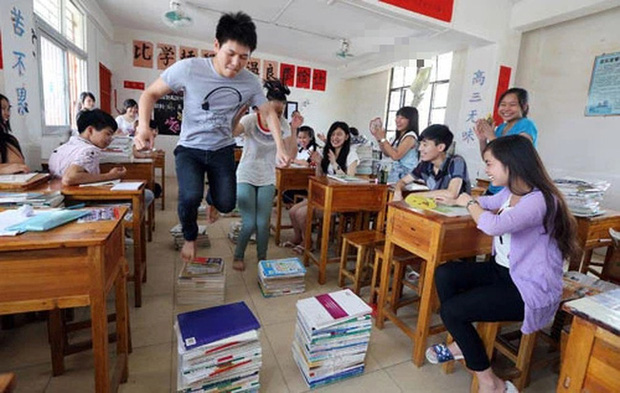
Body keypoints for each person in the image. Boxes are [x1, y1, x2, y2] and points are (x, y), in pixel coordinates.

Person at [426, 135, 578, 393]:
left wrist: (469, 202)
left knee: (451, 311)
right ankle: (464, 341)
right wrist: (455, 201)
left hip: (528, 287)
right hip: (503, 272)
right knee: (445, 273)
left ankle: (493, 384)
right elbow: (488, 203)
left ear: (511, 163)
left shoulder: (541, 200)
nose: (487, 170)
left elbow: (493, 225)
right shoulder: (513, 191)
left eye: (490, 164)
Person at [134, 12, 290, 262]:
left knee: (228, 203)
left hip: (222, 149)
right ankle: (190, 237)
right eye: (230, 53)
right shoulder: (189, 69)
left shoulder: (250, 82)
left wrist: (281, 147)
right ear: (216, 45)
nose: (236, 63)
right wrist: (143, 126)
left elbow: (269, 113)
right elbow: (150, 94)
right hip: (190, 149)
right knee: (189, 196)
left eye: (244, 57)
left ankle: (213, 200)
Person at [231, 79, 293, 271]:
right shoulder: (250, 120)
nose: (276, 116)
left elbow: (290, 154)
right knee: (249, 223)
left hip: (267, 177)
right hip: (246, 174)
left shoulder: (283, 125)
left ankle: (261, 257)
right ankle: (238, 255)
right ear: (262, 107)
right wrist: (238, 114)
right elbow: (232, 132)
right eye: (272, 111)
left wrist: (295, 128)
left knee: (263, 223)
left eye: (280, 112)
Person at [287, 121, 358, 253]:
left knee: (302, 214)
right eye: (333, 134)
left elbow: (349, 180)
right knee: (292, 211)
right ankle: (298, 238)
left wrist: (334, 163)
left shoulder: (351, 154)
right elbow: (320, 176)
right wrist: (319, 163)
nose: (335, 137)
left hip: (339, 199)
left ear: (347, 137)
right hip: (323, 195)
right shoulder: (327, 151)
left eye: (339, 134)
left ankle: (308, 243)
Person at [474, 88, 537, 194]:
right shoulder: (500, 128)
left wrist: (492, 136)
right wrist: (483, 140)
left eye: (512, 105)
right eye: (503, 105)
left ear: (524, 107)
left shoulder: (526, 125)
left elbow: (517, 157)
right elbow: (489, 159)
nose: (506, 109)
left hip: (513, 189)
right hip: (495, 188)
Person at [49, 109, 127, 186]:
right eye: (108, 134)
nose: (111, 139)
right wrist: (110, 176)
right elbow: (69, 178)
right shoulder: (89, 150)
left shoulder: (61, 148)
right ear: (90, 130)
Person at [392, 124, 469, 201]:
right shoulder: (425, 164)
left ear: (441, 147)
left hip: (457, 211)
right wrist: (398, 190)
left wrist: (416, 195)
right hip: (435, 208)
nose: (419, 149)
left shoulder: (456, 162)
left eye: (425, 145)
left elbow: (452, 194)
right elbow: (403, 181)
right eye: (420, 144)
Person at [370, 106, 419, 183]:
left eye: (402, 118)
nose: (398, 121)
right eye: (397, 117)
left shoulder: (410, 137)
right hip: (394, 174)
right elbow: (387, 153)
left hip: (404, 176)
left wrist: (383, 138)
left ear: (411, 120)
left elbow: (396, 156)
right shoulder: (397, 136)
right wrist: (378, 137)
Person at [0, 94, 29, 174]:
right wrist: (4, 169)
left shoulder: (10, 140)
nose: (7, 114)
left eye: (8, 109)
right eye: (2, 109)